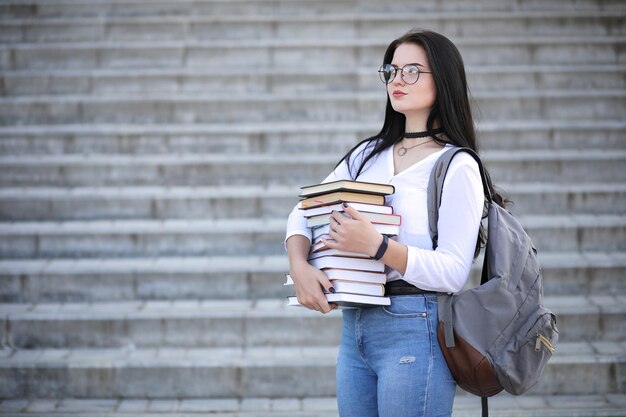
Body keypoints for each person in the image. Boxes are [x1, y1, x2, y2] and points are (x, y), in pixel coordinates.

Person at [285, 29, 501, 417]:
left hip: (417, 329)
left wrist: (379, 247)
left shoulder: (456, 166)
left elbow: (454, 272)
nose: (397, 80)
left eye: (413, 71)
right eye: (392, 70)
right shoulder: (368, 154)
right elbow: (302, 211)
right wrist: (299, 266)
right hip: (356, 328)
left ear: (445, 79)